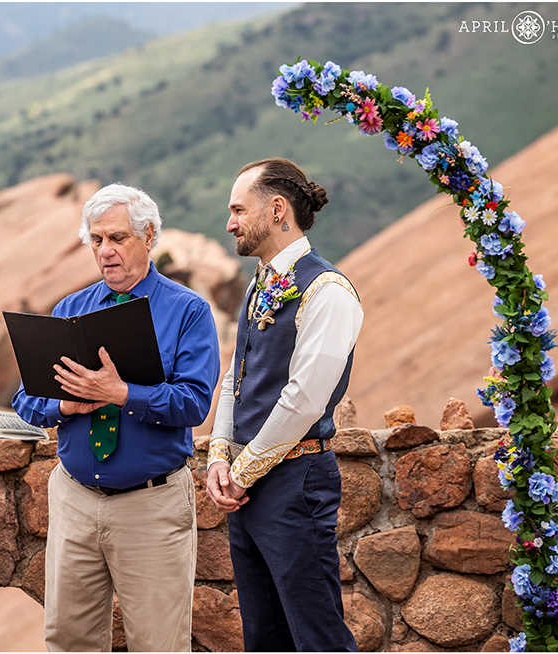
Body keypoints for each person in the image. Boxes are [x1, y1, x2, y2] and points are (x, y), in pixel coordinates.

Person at [12, 184, 221, 652]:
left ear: (149, 238)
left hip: (151, 506)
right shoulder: (70, 310)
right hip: (74, 500)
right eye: (97, 239)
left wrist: (122, 393)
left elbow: (193, 404)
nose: (106, 252)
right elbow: (26, 399)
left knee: (158, 643)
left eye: (118, 239)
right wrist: (67, 405)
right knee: (68, 640)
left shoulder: (187, 311)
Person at [205, 158, 362, 651]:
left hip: (297, 485)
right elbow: (237, 376)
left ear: (277, 209)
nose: (230, 223)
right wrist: (217, 454)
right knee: (265, 637)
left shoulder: (327, 290)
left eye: (238, 210)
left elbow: (304, 400)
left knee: (317, 636)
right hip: (248, 491)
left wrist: (241, 473)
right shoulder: (258, 283)